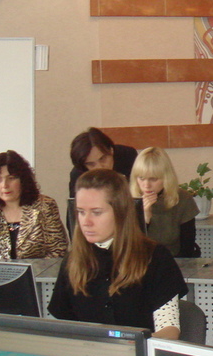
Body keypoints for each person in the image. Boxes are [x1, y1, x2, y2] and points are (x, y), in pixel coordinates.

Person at [49, 169, 187, 339]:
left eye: (96, 212)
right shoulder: (73, 261)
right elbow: (63, 327)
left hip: (140, 353)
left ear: (120, 212)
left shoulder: (155, 257)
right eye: (81, 212)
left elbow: (169, 329)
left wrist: (132, 349)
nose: (86, 222)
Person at [0, 150, 67, 259]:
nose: (4, 185)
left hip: (37, 270)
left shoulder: (45, 206)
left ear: (23, 180)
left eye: (11, 178)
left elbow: (58, 250)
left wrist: (33, 268)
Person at [129, 147, 199, 257]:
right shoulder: (127, 201)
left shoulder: (183, 199)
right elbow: (130, 248)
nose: (146, 185)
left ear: (166, 178)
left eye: (153, 179)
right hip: (140, 261)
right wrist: (144, 219)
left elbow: (187, 247)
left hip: (174, 259)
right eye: (141, 178)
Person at [68, 127, 137, 197]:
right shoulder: (78, 175)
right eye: (91, 164)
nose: (99, 167)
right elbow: (75, 203)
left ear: (111, 150)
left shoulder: (128, 157)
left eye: (102, 159)